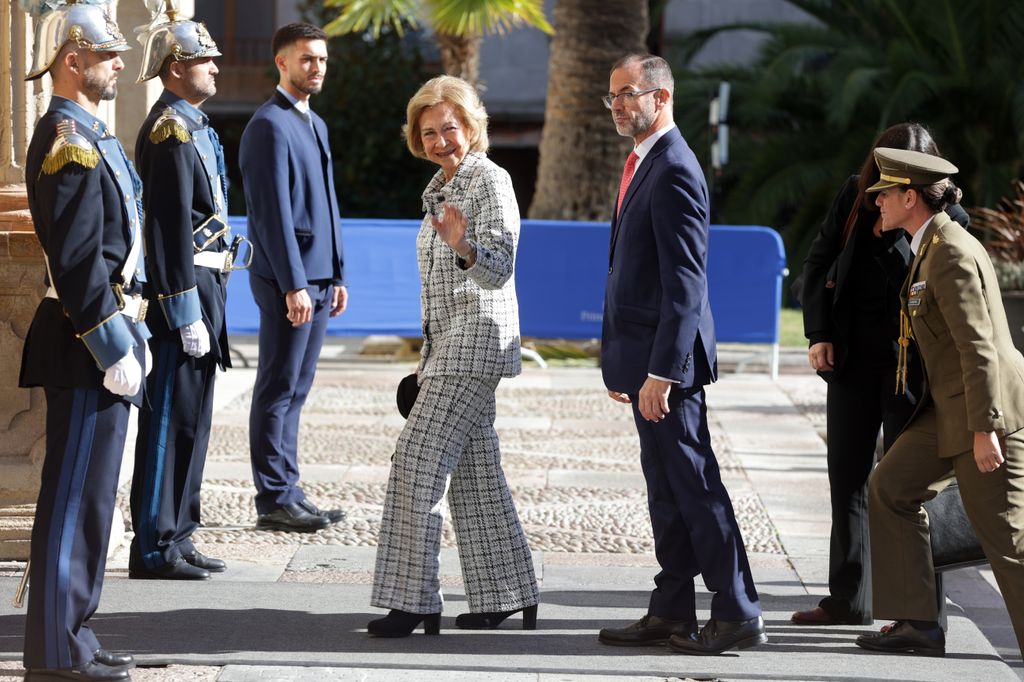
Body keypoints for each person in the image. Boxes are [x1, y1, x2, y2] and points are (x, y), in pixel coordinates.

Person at [596, 53, 765, 656]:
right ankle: (671, 610)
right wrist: (626, 361)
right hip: (645, 361)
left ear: (660, 98)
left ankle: (738, 610)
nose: (617, 104)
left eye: (627, 94)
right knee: (666, 490)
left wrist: (662, 372)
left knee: (695, 486)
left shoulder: (674, 167)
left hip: (669, 368)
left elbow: (685, 284)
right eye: (611, 95)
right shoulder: (644, 161)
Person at [367, 75, 539, 637]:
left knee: (415, 465)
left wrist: (465, 245)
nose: (442, 140)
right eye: (430, 131)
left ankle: (414, 600)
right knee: (475, 474)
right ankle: (507, 591)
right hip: (450, 347)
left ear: (472, 128)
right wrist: (426, 361)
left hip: (478, 343)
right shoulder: (442, 186)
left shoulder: (490, 179)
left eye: (451, 128)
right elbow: (437, 292)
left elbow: (500, 267)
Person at [794, 124, 970, 626]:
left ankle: (912, 610)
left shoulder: (947, 218)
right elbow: (819, 259)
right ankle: (847, 598)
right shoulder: (856, 195)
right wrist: (819, 332)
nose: (896, 181)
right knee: (846, 478)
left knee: (906, 490)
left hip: (912, 372)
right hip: (852, 360)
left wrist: (899, 228)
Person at [18, 2, 146, 680]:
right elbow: (75, 260)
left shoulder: (91, 133)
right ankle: (54, 655)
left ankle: (76, 639)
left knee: (93, 502)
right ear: (74, 59)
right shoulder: (65, 137)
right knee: (71, 503)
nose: (120, 63)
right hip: (82, 343)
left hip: (107, 335)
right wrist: (110, 345)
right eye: (108, 53)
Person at [856, 148, 1024, 657]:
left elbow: (979, 348)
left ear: (910, 197)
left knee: (1007, 542)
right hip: (950, 407)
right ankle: (919, 624)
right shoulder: (929, 245)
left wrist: (985, 429)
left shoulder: (949, 250)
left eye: (884, 194)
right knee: (890, 485)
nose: (877, 203)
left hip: (984, 410)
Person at [128, 5, 233, 581]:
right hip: (185, 291)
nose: (215, 68)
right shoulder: (168, 131)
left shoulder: (193, 124)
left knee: (194, 418)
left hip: (209, 284)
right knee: (168, 420)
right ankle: (152, 544)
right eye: (203, 61)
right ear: (174, 69)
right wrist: (182, 307)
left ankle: (180, 532)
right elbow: (167, 228)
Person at [239, 22, 347, 532]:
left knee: (298, 388)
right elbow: (272, 214)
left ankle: (291, 490)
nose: (317, 67)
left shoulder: (316, 124)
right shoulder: (269, 125)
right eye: (306, 59)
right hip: (292, 280)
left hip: (320, 278)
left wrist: (338, 273)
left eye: (322, 59)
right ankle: (274, 499)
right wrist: (293, 284)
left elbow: (327, 203)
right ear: (281, 63)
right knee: (277, 387)